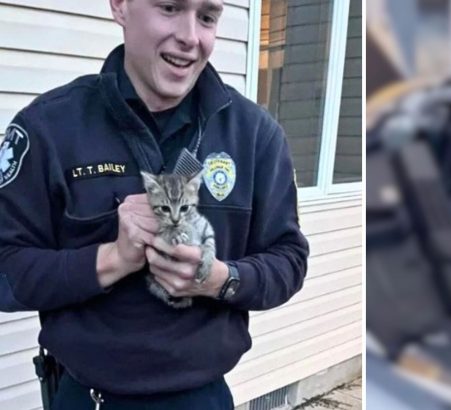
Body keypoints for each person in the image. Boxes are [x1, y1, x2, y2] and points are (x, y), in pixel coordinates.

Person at [0, 0, 309, 408]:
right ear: (120, 6)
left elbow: (288, 258)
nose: (189, 36)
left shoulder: (255, 136)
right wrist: (111, 259)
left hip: (201, 399)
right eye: (169, 7)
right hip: (86, 398)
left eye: (207, 17)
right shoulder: (48, 129)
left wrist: (220, 278)